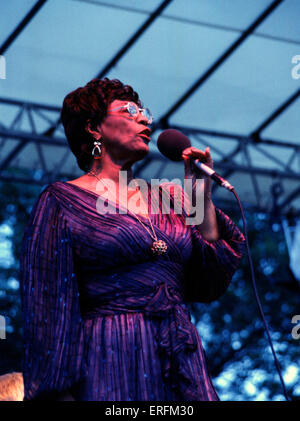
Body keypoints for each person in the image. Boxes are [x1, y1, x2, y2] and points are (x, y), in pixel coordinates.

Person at [19, 77, 245, 401]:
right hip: (109, 355)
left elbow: (210, 274)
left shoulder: (171, 198)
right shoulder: (60, 201)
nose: (144, 118)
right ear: (94, 128)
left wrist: (200, 195)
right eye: (129, 111)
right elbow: (47, 308)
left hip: (180, 353)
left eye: (144, 112)